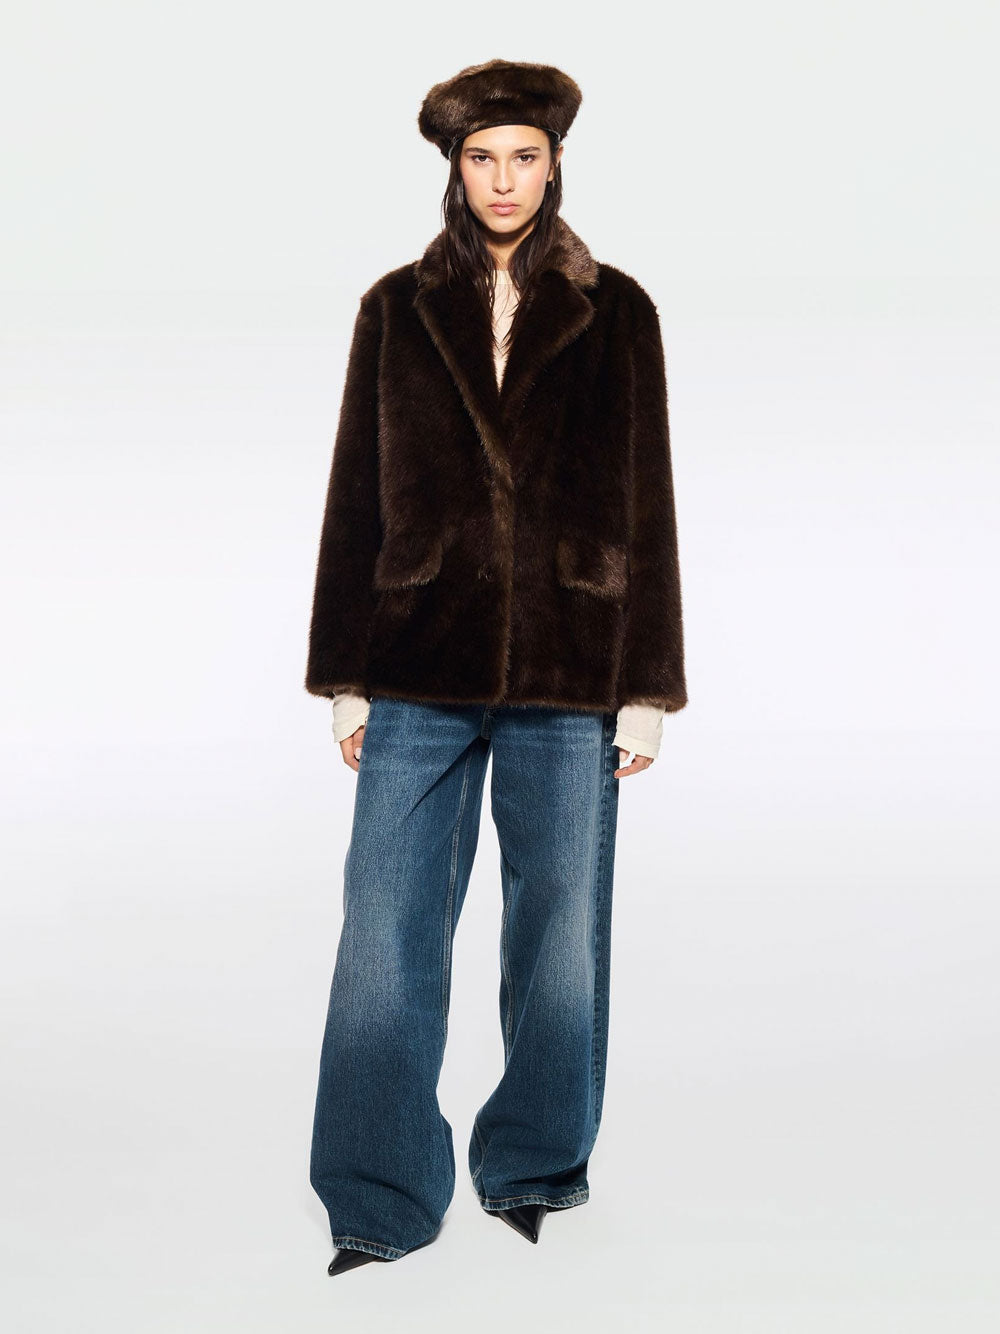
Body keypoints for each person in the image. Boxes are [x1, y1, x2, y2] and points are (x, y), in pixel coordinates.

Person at [304, 58, 688, 1277]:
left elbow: (647, 498)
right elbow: (354, 494)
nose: (504, 179)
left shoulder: (617, 311)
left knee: (560, 929)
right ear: (454, 169)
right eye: (482, 158)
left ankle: (532, 1162)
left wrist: (646, 686)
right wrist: (345, 673)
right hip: (415, 659)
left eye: (524, 155)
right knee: (385, 925)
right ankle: (377, 1188)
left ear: (555, 161)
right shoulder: (394, 306)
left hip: (574, 662)